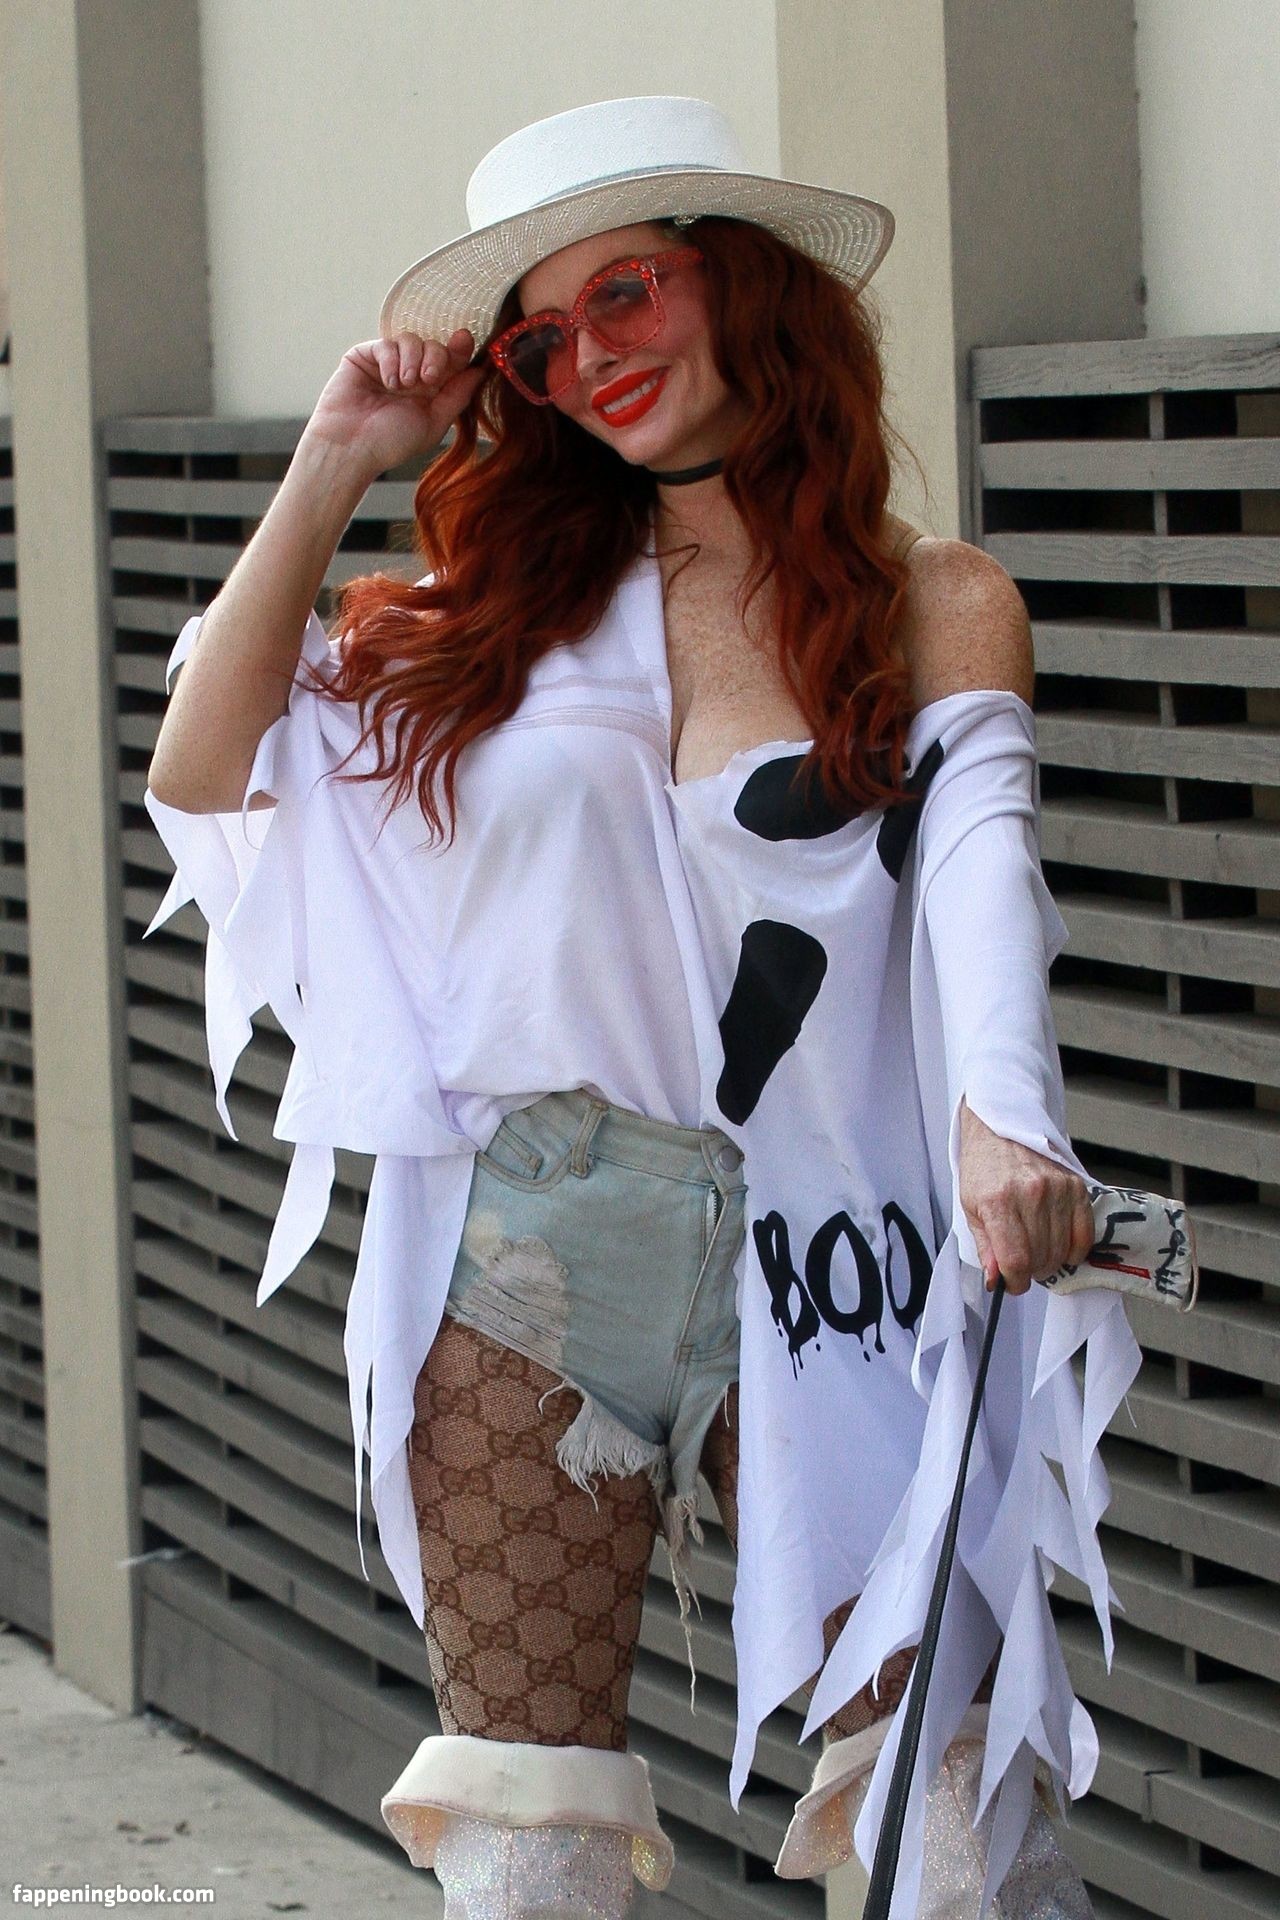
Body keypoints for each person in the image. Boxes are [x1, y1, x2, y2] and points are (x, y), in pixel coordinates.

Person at [145, 95, 1144, 1920]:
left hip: (836, 1252)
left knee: (945, 1838)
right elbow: (205, 767)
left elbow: (981, 877)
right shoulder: (501, 617)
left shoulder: (931, 601)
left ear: (743, 285)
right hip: (538, 1255)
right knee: (526, 1860)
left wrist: (1008, 1126)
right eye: (541, 340)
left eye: (628, 292)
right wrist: (341, 450)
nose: (589, 354)